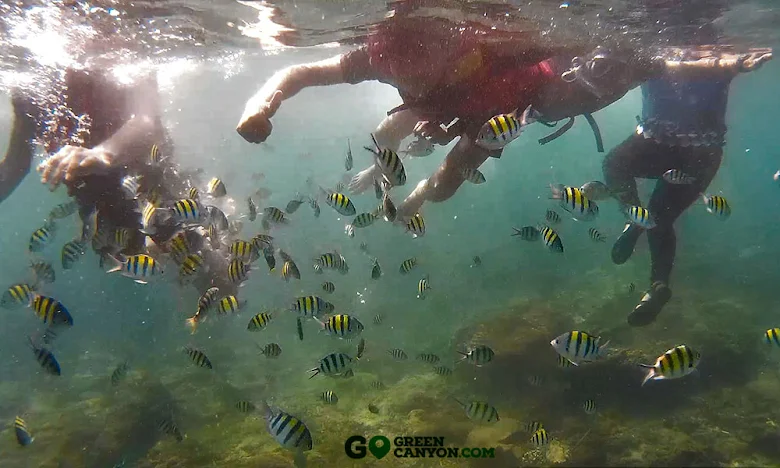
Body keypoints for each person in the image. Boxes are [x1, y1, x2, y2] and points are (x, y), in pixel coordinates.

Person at [236, 11, 658, 220]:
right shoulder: (375, 58)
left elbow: (573, 38)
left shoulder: (493, 45)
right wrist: (262, 104)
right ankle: (381, 174)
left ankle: (415, 195)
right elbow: (299, 72)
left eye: (422, 75)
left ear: (450, 51)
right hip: (448, 103)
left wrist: (626, 58)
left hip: (500, 108)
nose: (412, 85)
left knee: (447, 183)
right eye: (400, 78)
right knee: (387, 129)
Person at [0, 67, 237, 296]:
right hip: (100, 207)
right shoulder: (29, 76)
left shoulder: (120, 45)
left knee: (220, 282)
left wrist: (102, 155)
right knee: (136, 268)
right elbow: (15, 163)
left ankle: (216, 229)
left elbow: (146, 121)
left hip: (150, 186)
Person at [603, 46, 772, 326]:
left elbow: (658, 66)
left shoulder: (659, 54)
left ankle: (635, 220)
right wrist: (735, 63)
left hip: (655, 143)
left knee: (616, 166)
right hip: (702, 153)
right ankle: (657, 283)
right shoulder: (721, 58)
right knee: (661, 219)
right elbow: (720, 64)